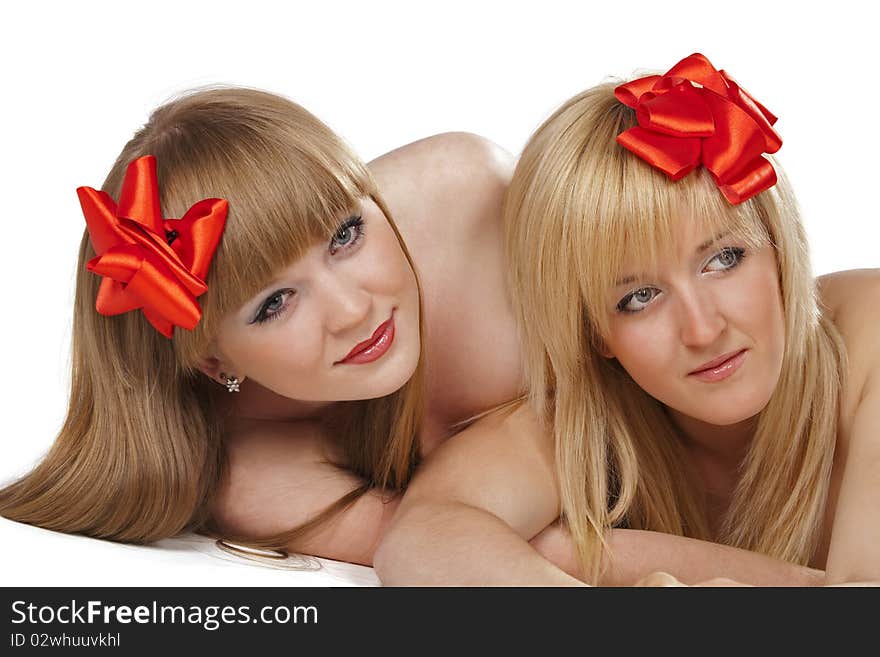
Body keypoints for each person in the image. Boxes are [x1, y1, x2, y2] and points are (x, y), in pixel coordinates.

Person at [0, 86, 562, 566]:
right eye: (275, 303)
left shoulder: (465, 198)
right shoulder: (252, 475)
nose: (350, 311)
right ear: (215, 361)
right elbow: (480, 551)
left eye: (345, 236)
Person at [375, 54, 879, 586]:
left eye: (724, 259)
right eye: (639, 297)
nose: (703, 330)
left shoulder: (870, 333)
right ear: (595, 332)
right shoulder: (588, 416)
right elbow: (424, 533)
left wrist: (590, 553)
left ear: (779, 247)